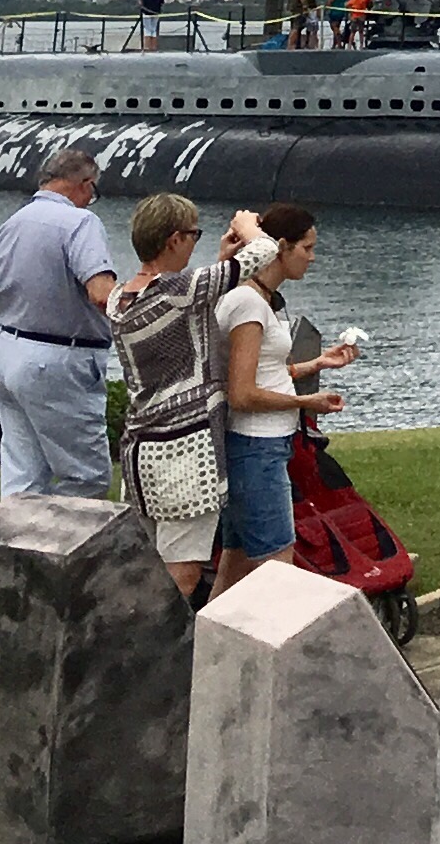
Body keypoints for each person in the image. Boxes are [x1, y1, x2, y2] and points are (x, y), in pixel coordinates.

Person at [208, 203, 357, 595]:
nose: (312, 257)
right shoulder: (248, 303)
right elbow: (242, 393)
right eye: (307, 248)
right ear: (282, 247)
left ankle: (203, 634)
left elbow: (265, 372)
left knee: (236, 564)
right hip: (255, 447)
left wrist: (317, 364)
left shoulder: (260, 298)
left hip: (261, 445)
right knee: (279, 567)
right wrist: (307, 403)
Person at [110, 193, 246, 600]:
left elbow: (188, 313)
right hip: (184, 452)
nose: (194, 242)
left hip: (140, 449)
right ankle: (154, 637)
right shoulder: (179, 289)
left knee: (143, 565)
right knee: (182, 573)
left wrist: (221, 261)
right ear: (173, 240)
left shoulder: (121, 297)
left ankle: (129, 629)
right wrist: (248, 226)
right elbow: (263, 254)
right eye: (192, 235)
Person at [0, 143, 118, 498]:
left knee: (22, 475)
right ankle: (58, 536)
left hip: (4, 350)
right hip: (55, 359)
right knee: (86, 478)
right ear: (85, 184)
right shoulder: (81, 222)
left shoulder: (11, 224)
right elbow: (102, 294)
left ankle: (14, 533)